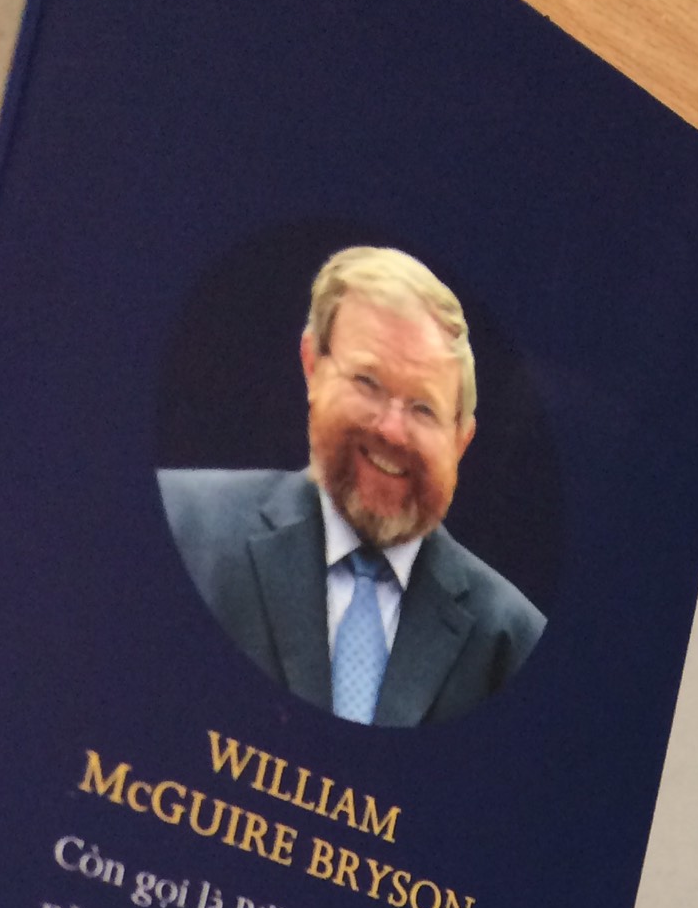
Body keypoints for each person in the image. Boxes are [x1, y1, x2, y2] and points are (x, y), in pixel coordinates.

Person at [160, 246, 544, 725]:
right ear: (312, 366)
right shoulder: (183, 528)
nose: (392, 431)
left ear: (461, 440)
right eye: (368, 382)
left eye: (423, 409)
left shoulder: (514, 647)